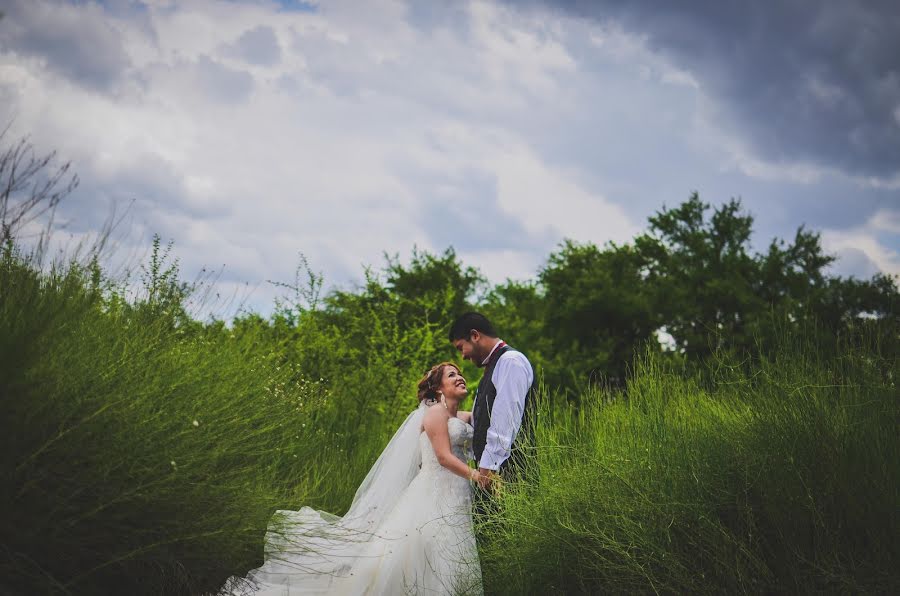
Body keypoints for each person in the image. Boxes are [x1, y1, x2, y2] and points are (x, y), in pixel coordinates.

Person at [219, 362, 483, 596]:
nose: (460, 377)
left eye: (460, 374)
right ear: (438, 388)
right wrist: (477, 475)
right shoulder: (435, 413)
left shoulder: (462, 416)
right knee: (429, 548)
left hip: (456, 492)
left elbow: (482, 420)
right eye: (452, 375)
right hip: (432, 492)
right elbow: (444, 457)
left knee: (452, 549)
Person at [448, 312, 536, 499]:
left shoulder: (510, 361)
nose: (462, 356)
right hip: (492, 472)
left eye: (460, 347)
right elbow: (484, 418)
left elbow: (506, 417)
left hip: (509, 474)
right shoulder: (494, 366)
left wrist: (489, 466)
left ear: (475, 335)